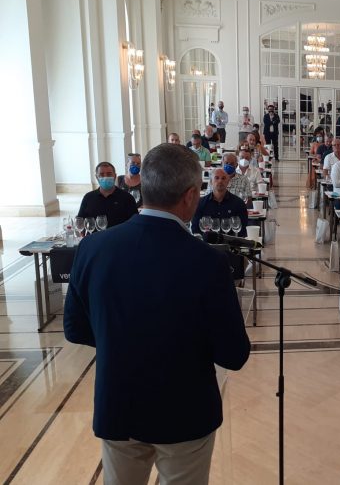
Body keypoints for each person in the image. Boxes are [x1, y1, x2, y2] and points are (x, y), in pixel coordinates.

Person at [64, 144, 250, 485]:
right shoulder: (209, 262)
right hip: (186, 411)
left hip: (119, 402)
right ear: (192, 196)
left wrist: (118, 339)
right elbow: (233, 354)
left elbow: (75, 329)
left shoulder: (94, 248)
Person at [77, 162, 138, 228]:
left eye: (109, 174)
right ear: (97, 177)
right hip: (95, 237)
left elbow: (135, 224)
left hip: (119, 237)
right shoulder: (88, 198)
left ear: (115, 176)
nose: (105, 177)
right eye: (101, 175)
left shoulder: (127, 198)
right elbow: (80, 221)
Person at [192, 167, 249, 237]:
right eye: (216, 178)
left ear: (228, 182)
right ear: (210, 182)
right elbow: (195, 230)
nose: (220, 181)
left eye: (223, 178)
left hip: (232, 245)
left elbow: (243, 230)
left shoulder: (239, 204)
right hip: (206, 245)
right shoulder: (200, 203)